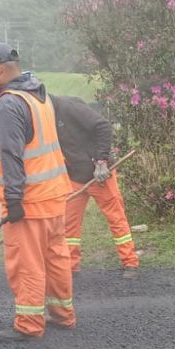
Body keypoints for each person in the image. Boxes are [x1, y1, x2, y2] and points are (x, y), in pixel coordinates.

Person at [0, 43, 75, 340]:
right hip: (54, 196)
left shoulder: (9, 103)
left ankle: (30, 325)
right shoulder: (40, 96)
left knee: (27, 262)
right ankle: (63, 314)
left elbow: (12, 155)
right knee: (56, 257)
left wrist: (13, 198)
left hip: (30, 201)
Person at [53, 95, 139, 279]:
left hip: (99, 175)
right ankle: (71, 267)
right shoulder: (42, 117)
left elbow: (102, 126)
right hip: (74, 176)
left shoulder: (67, 108)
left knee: (116, 218)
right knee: (69, 225)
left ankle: (130, 263)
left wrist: (101, 162)